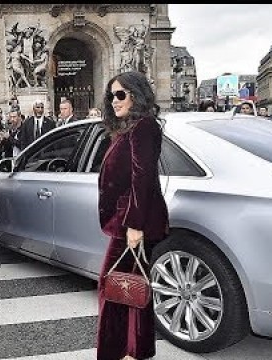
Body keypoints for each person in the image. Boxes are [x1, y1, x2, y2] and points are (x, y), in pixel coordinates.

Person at [96, 71, 169, 360]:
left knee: (113, 286)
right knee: (129, 288)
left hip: (131, 223)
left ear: (136, 95)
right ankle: (133, 351)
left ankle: (119, 353)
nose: (114, 100)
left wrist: (135, 225)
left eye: (121, 94)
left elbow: (143, 177)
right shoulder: (129, 127)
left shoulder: (144, 126)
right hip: (125, 221)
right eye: (111, 95)